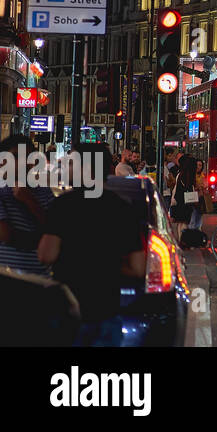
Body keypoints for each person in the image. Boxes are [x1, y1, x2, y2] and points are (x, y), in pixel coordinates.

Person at [38, 144, 146, 347]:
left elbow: (46, 255)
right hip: (106, 310)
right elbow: (138, 267)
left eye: (71, 164)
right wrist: (105, 263)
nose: (66, 168)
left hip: (68, 310)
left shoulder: (63, 205)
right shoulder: (122, 208)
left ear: (86, 168)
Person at [0, 134, 55, 275]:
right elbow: (5, 235)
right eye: (15, 156)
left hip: (41, 277)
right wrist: (40, 238)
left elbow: (56, 229)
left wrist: (29, 201)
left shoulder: (44, 192)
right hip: (8, 277)